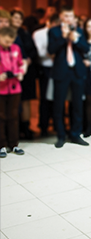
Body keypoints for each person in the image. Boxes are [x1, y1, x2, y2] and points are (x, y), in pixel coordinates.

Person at [48, 6, 89, 148]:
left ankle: (75, 134)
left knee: (77, 104)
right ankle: (61, 135)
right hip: (61, 72)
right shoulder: (53, 31)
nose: (69, 18)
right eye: (66, 16)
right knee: (59, 105)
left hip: (77, 71)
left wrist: (75, 40)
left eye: (71, 16)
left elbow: (86, 48)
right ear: (61, 17)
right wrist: (63, 37)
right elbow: (50, 49)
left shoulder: (79, 31)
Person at [10, 9, 38, 140]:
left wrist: (29, 59)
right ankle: (15, 129)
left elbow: (33, 50)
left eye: (20, 19)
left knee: (26, 99)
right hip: (10, 71)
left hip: (26, 71)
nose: (18, 21)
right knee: (13, 101)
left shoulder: (25, 33)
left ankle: (26, 127)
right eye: (15, 18)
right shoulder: (6, 33)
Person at [0, 27, 26, 158]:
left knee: (14, 116)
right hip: (1, 89)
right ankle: (1, 145)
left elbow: (21, 64)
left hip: (15, 87)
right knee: (1, 117)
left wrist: (21, 73)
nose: (8, 44)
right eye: (5, 41)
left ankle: (14, 144)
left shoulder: (16, 48)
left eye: (10, 42)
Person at [33, 13, 60, 137]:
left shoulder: (60, 33)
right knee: (44, 98)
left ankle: (56, 125)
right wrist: (52, 53)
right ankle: (43, 126)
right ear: (51, 23)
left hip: (58, 68)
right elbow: (39, 53)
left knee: (58, 98)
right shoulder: (39, 34)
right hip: (45, 68)